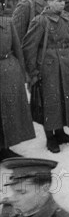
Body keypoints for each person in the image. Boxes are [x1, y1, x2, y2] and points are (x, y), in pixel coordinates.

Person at [22, 0, 69, 153]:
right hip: (48, 68)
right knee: (50, 102)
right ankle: (50, 137)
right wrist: (33, 73)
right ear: (48, 2)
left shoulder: (66, 17)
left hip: (65, 64)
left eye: (63, 1)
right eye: (58, 1)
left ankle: (61, 132)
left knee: (65, 97)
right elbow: (29, 48)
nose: (62, 4)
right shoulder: (40, 21)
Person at [0, 16, 35, 161]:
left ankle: (4, 148)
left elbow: (17, 48)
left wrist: (22, 71)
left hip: (8, 70)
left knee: (8, 111)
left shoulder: (7, 23)